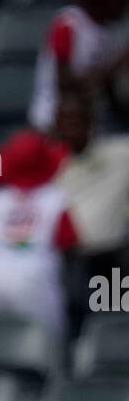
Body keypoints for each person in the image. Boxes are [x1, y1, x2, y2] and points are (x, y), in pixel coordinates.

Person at [0, 129, 77, 340]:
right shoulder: (56, 199)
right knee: (46, 346)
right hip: (37, 275)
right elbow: (70, 245)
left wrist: (5, 256)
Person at [29, 0, 129, 133]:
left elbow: (108, 92)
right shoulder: (69, 25)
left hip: (88, 128)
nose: (124, 5)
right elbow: (65, 84)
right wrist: (116, 65)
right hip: (53, 124)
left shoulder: (110, 33)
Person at [54, 88, 129, 270]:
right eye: (66, 121)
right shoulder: (46, 162)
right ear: (56, 125)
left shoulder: (121, 153)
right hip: (66, 261)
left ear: (91, 122)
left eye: (77, 120)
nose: (72, 128)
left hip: (112, 256)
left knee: (114, 298)